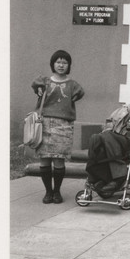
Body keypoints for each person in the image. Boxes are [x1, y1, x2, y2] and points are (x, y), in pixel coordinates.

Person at [31, 50, 85, 204]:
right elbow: (35, 85)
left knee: (59, 161)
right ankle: (48, 192)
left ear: (68, 65)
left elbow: (80, 93)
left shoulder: (73, 84)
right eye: (58, 62)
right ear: (53, 64)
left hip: (64, 125)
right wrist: (39, 89)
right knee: (45, 161)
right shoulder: (44, 81)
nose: (61, 65)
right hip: (44, 124)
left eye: (64, 62)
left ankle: (57, 191)